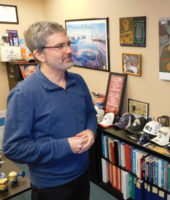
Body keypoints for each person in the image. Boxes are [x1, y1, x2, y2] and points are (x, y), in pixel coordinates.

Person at [2, 21, 97, 200]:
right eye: (60, 46)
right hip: (51, 186)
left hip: (83, 174)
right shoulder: (24, 93)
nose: (69, 50)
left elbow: (90, 113)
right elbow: (13, 148)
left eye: (68, 44)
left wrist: (91, 131)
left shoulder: (78, 81)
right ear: (39, 54)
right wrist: (66, 145)